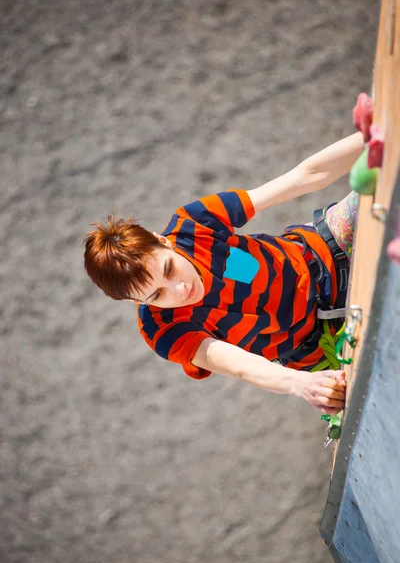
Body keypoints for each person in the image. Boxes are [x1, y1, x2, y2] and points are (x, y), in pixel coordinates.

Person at [84, 131, 364, 415]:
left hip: (329, 250)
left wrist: (374, 132)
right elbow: (239, 366)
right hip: (320, 351)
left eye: (169, 268)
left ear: (163, 241)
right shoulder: (162, 331)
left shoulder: (194, 223)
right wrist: (302, 384)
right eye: (157, 294)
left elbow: (307, 174)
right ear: (137, 302)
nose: (179, 289)